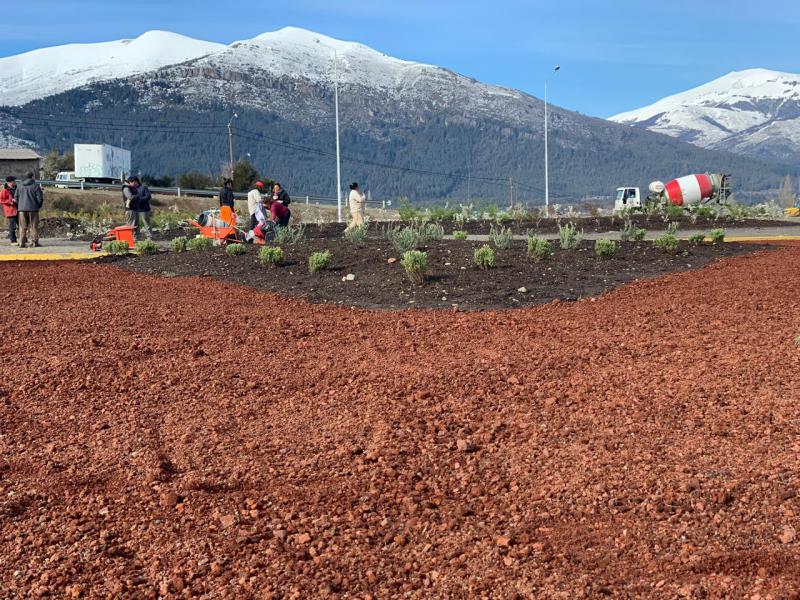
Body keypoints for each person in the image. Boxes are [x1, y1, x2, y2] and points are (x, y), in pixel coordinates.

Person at [14, 172, 43, 248]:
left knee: (22, 227)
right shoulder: (36, 186)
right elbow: (40, 199)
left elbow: (16, 198)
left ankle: (22, 243)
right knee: (33, 227)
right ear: (32, 177)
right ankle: (34, 243)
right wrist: (37, 206)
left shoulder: (19, 186)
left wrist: (19, 207)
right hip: (33, 209)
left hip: (22, 210)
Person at [0, 177, 18, 244]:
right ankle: (13, 240)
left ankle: (24, 239)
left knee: (21, 225)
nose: (15, 182)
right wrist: (11, 201)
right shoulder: (4, 190)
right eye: (14, 181)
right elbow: (1, 200)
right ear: (9, 183)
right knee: (12, 226)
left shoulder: (16, 188)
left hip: (18, 209)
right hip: (10, 211)